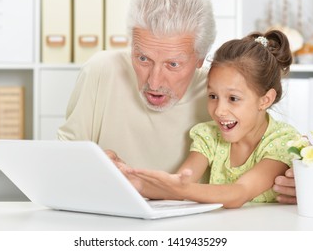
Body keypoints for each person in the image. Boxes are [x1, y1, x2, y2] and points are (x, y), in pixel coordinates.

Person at [57, 0, 297, 202]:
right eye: (142, 58)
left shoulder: (221, 88)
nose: (154, 81)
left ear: (201, 59)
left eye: (173, 64)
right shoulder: (101, 71)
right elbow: (61, 165)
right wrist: (122, 177)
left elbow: (260, 155)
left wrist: (301, 183)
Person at [124, 30, 300, 208]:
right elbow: (176, 185)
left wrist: (182, 189)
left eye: (233, 98)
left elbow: (240, 192)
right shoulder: (209, 135)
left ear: (265, 100)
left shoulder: (283, 142)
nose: (219, 111)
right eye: (213, 96)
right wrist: (133, 182)